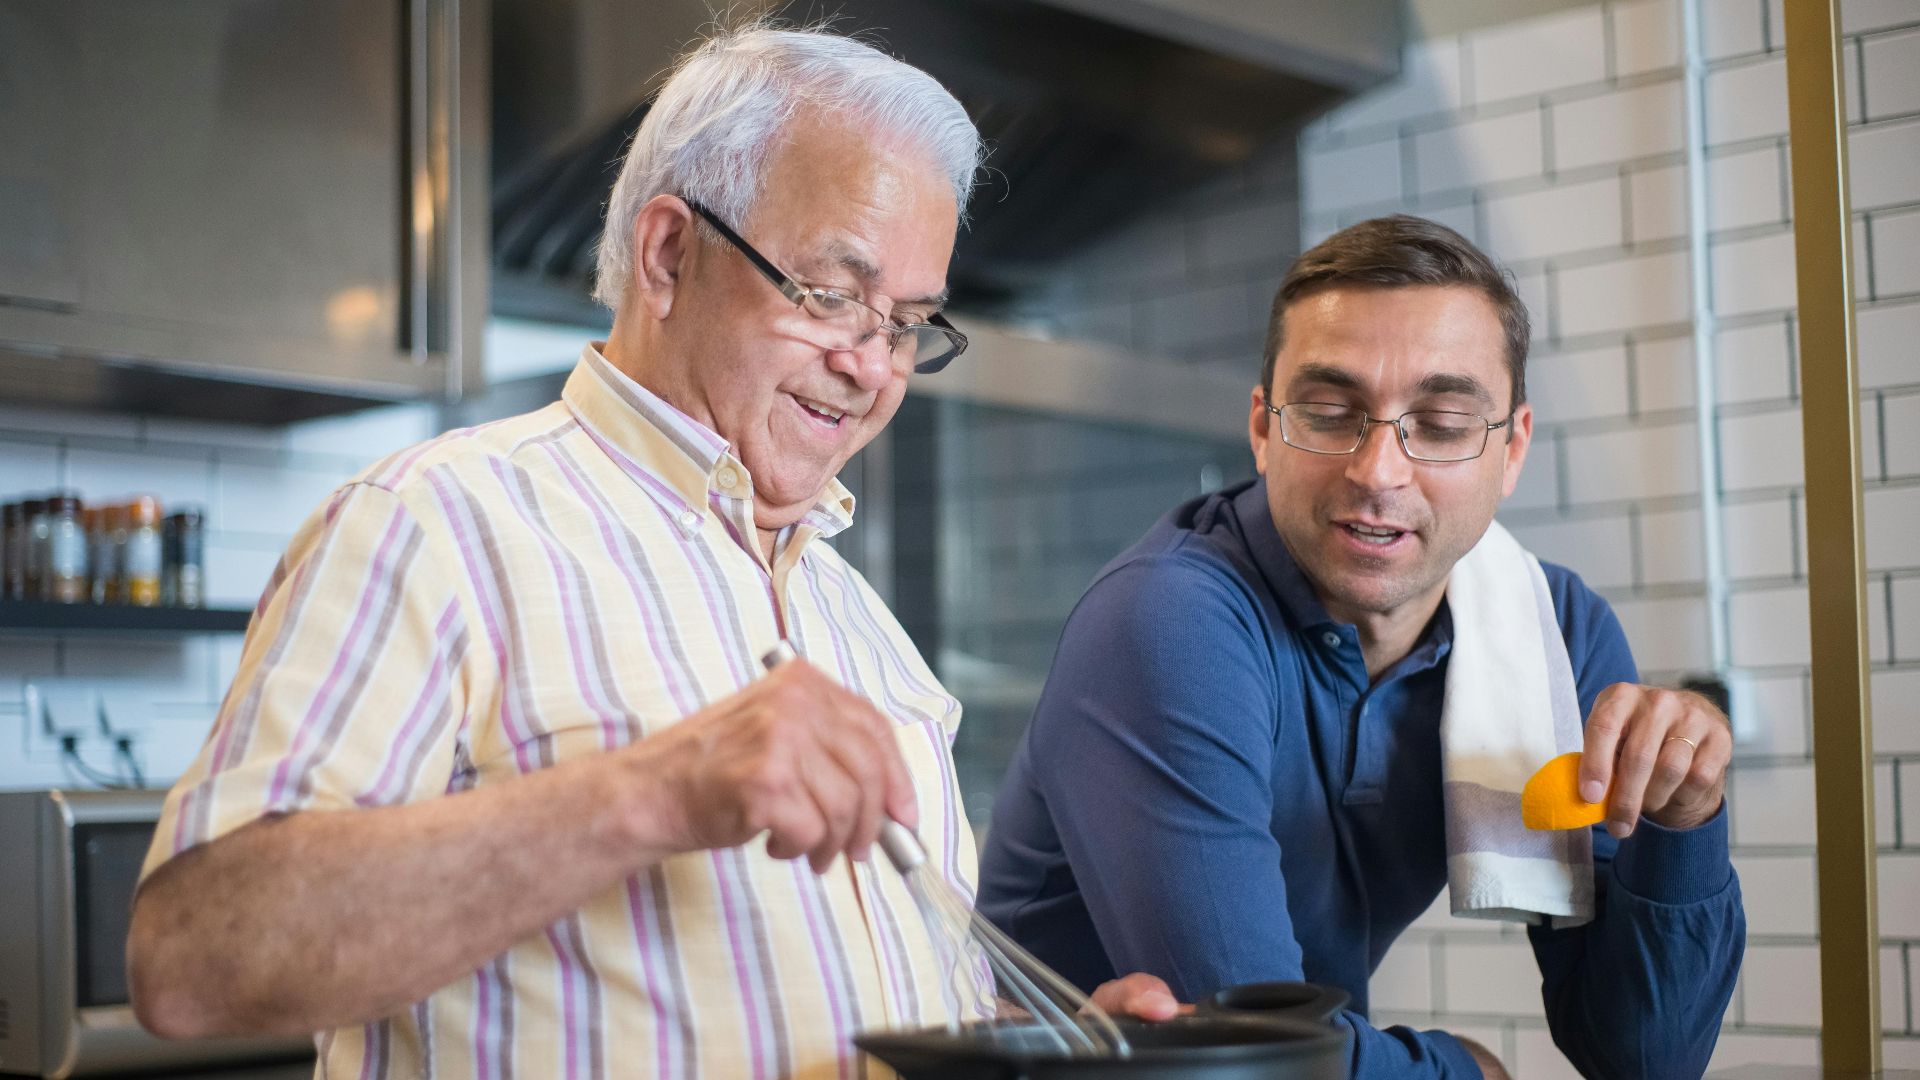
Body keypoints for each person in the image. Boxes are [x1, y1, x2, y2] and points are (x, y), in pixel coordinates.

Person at [128, 25, 1173, 1079]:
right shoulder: (434, 522)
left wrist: (1057, 1045)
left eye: (907, 323)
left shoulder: (855, 616)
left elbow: (860, 998)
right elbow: (190, 959)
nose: (870, 367)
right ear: (669, 254)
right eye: (832, 294)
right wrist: (652, 793)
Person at [977, 215, 1746, 1079]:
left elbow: (1646, 1056)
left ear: (1512, 447)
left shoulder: (1547, 636)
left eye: (1444, 422)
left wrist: (1684, 819)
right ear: (1264, 428)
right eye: (1330, 412)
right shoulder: (1167, 622)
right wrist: (1471, 1072)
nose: (1379, 470)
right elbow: (1249, 1050)